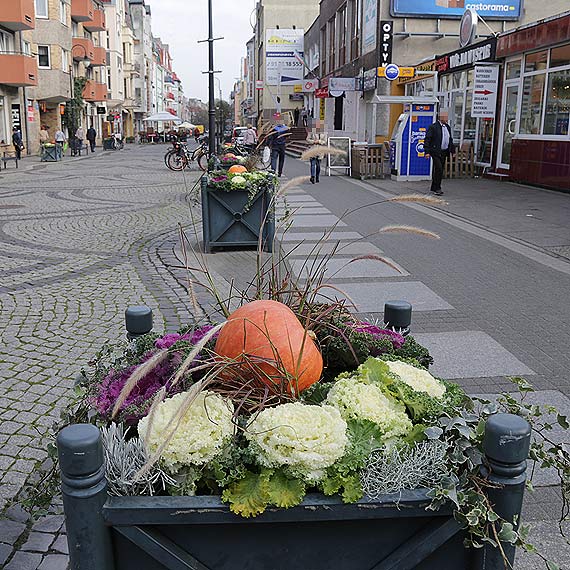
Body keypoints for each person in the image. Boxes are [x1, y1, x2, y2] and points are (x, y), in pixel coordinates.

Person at [424, 109, 455, 196]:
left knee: (439, 170)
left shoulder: (448, 127)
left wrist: (452, 150)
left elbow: (450, 139)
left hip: (444, 152)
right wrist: (427, 151)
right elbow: (427, 139)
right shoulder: (433, 127)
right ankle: (437, 187)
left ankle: (434, 186)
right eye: (445, 117)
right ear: (441, 117)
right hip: (435, 151)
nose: (447, 119)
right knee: (439, 168)